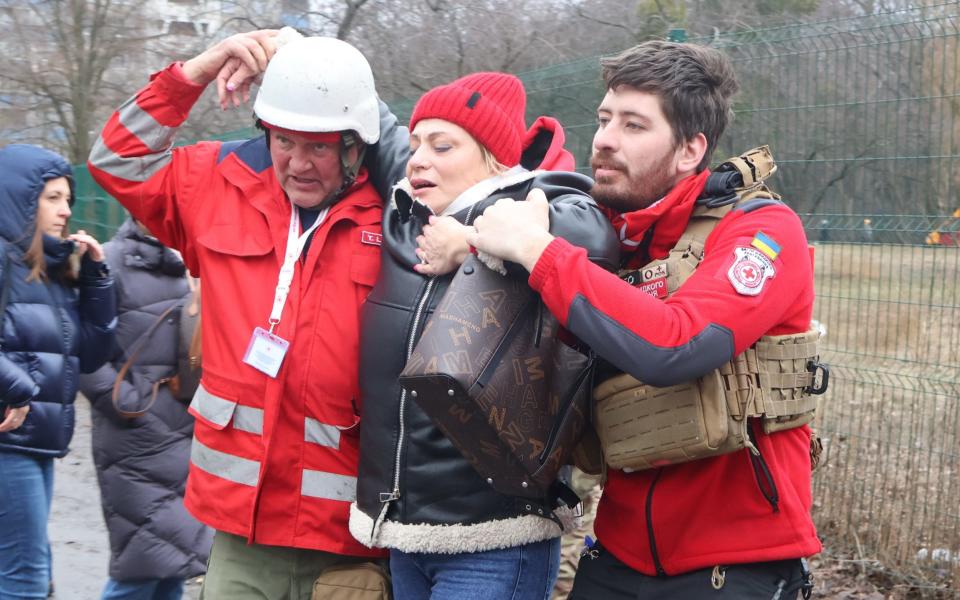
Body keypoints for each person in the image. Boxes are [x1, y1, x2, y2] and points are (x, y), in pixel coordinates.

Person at [464, 41, 821, 599]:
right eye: (605, 119)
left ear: (689, 150)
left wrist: (541, 253)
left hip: (734, 565)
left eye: (634, 125)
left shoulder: (762, 231)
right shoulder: (606, 237)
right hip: (617, 555)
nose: (604, 138)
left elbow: (678, 346)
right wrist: (465, 241)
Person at [88, 30, 407, 598]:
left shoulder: (398, 216)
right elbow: (117, 158)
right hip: (242, 533)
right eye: (285, 141)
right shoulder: (220, 184)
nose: (299, 164)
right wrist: (196, 71)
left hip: (355, 540)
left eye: (321, 147)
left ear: (358, 147)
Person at [348, 72, 619, 600]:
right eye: (415, 144)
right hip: (408, 532)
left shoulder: (540, 197)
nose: (419, 158)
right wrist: (290, 47)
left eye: (442, 145)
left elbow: (594, 235)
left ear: (495, 158)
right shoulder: (408, 211)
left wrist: (473, 242)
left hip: (495, 536)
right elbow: (372, 115)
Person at [0, 144, 116, 599]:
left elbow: (91, 355)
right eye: (52, 198)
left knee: (29, 572)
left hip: (36, 444)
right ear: (19, 198)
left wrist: (96, 277)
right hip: (10, 441)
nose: (66, 210)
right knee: (25, 578)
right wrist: (20, 390)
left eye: (68, 199)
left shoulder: (47, 272)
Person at [78, 217, 212, 600]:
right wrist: (127, 405)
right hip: (135, 440)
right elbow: (84, 353)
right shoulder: (112, 261)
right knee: (140, 567)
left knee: (174, 566)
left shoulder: (195, 262)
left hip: (187, 433)